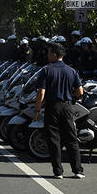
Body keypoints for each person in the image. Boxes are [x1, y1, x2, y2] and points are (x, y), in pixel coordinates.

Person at [34, 41, 84, 179]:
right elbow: (80, 91)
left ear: (54, 55)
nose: (47, 55)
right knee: (71, 138)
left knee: (54, 139)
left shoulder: (46, 70)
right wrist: (70, 95)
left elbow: (41, 93)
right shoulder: (71, 70)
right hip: (67, 106)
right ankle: (78, 170)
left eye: (49, 53)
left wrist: (37, 110)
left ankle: (58, 172)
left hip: (52, 106)